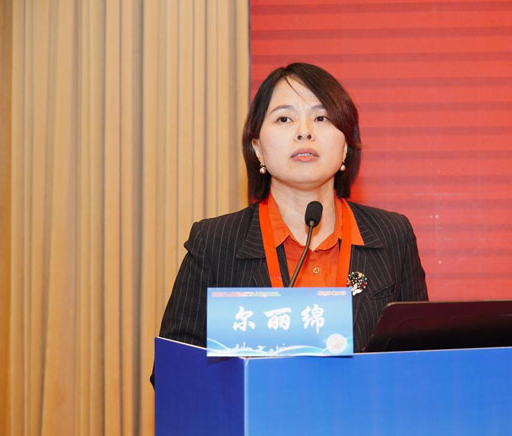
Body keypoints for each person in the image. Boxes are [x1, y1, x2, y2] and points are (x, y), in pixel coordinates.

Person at [157, 62, 428, 363]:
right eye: (284, 118)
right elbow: (175, 369)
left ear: (345, 147)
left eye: (321, 117)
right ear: (257, 148)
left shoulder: (392, 235)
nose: (304, 132)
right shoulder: (214, 242)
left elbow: (421, 361)